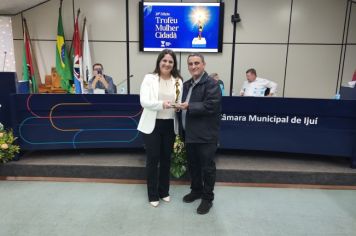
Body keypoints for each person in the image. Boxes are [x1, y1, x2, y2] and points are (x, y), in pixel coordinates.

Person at [137, 49, 183, 207]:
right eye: (165, 60)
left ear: (174, 64)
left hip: (170, 124)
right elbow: (144, 101)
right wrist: (161, 104)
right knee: (153, 159)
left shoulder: (178, 80)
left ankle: (164, 191)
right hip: (152, 125)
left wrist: (178, 106)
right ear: (159, 62)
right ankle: (153, 194)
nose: (167, 64)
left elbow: (179, 100)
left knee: (166, 159)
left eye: (171, 61)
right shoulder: (149, 78)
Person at [178, 53, 221, 215]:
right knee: (193, 166)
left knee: (207, 168)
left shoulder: (211, 84)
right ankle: (196, 190)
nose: (193, 66)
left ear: (204, 64)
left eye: (197, 63)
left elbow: (211, 106)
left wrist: (189, 106)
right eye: (190, 64)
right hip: (189, 134)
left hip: (206, 136)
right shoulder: (187, 84)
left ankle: (207, 198)